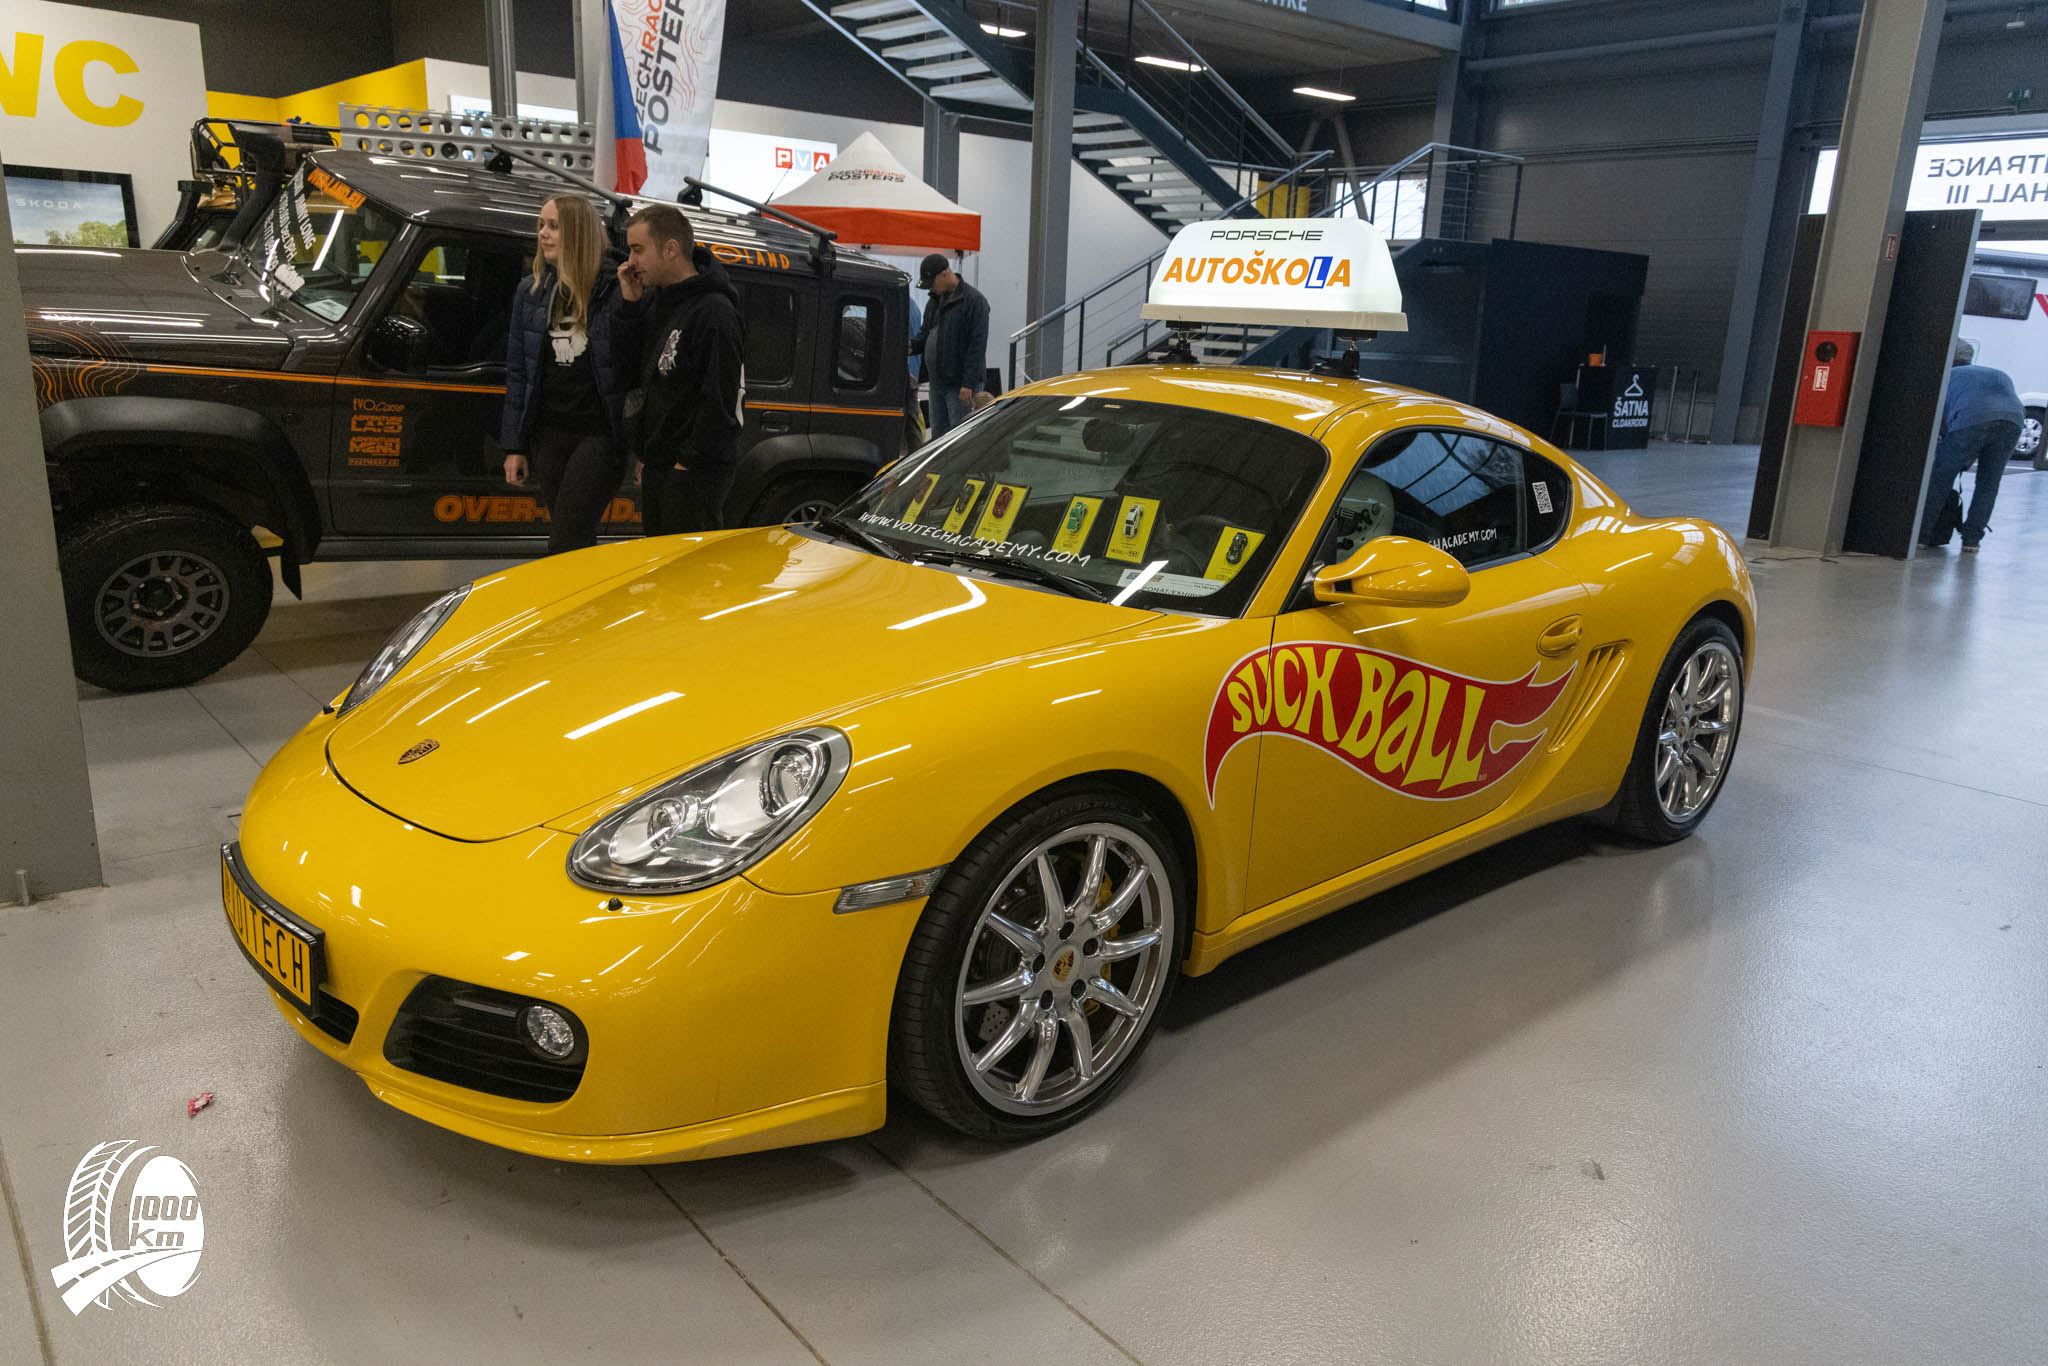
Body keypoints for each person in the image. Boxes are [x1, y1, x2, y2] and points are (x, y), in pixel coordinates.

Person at [500, 195, 637, 553]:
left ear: (578, 233)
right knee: (574, 539)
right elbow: (519, 372)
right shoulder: (531, 290)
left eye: (554, 226)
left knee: (567, 538)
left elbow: (633, 367)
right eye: (541, 225)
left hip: (599, 435)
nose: (543, 234)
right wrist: (515, 445)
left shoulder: (615, 287)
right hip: (548, 433)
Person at [615, 203, 746, 535]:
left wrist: (686, 462)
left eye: (638, 249)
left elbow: (719, 397)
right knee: (659, 560)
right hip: (659, 461)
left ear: (670, 249)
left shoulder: (715, 311)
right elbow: (632, 373)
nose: (630, 262)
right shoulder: (657, 301)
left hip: (695, 470)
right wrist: (630, 306)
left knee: (688, 564)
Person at [1921, 340, 2023, 553]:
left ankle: (1920, 536)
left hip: (1972, 420)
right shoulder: (1996, 373)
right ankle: (1972, 540)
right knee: (1989, 483)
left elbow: (1941, 424)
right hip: (2013, 421)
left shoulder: (1948, 377)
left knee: (1941, 477)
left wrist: (1955, 457)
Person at [909, 252, 990, 439]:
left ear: (945, 273)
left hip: (960, 386)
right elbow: (925, 334)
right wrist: (911, 346)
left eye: (932, 283)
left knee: (959, 438)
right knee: (939, 438)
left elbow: (977, 346)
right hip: (937, 383)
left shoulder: (974, 302)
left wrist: (968, 383)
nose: (932, 288)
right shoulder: (934, 301)